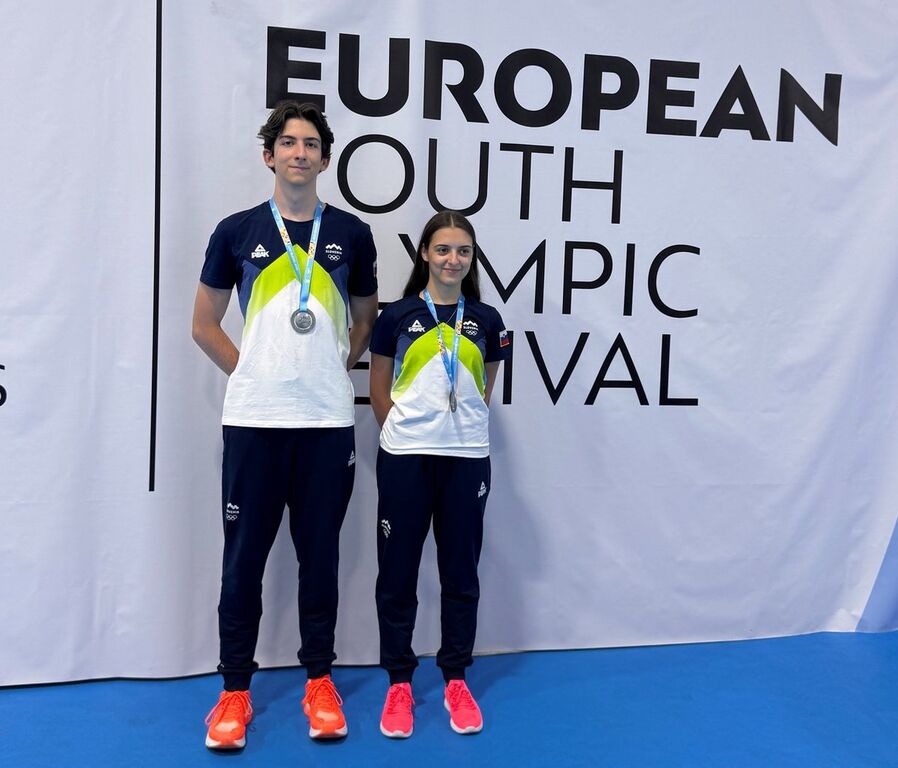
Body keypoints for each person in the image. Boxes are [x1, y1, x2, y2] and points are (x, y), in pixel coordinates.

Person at [191, 100, 378, 749]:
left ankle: (319, 682)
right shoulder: (236, 231)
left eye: (311, 144)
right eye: (289, 143)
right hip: (255, 420)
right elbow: (203, 324)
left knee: (319, 557)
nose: (300, 153)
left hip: (326, 422)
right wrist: (253, 372)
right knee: (243, 560)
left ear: (324, 159)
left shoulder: (351, 234)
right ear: (269, 155)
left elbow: (364, 319)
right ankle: (234, 692)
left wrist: (329, 367)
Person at [368, 210, 511, 738]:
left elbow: (484, 389)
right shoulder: (396, 316)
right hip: (406, 457)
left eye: (463, 251)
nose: (453, 259)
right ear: (425, 253)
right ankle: (399, 682)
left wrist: (458, 431)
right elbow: (378, 388)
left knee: (461, 572)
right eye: (444, 249)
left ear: (472, 259)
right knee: (397, 574)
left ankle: (455, 677)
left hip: (466, 458)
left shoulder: (489, 320)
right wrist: (406, 433)